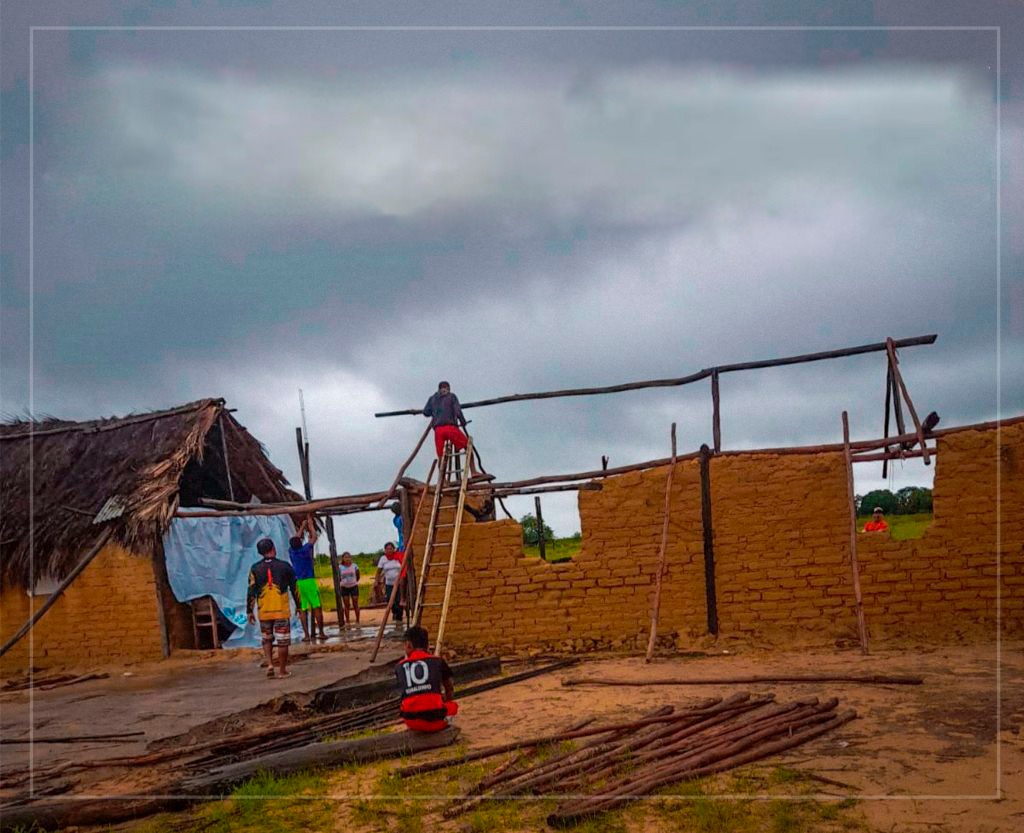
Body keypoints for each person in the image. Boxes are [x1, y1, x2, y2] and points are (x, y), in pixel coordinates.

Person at [247, 538, 301, 679]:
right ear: (273, 548)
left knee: (267, 639)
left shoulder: (254, 568)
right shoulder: (285, 566)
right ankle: (282, 671)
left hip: (264, 611)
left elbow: (251, 591)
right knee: (283, 641)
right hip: (281, 610)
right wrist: (299, 606)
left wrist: (249, 611)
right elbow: (295, 588)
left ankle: (270, 664)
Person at [395, 626, 458, 732]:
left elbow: (404, 692)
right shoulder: (438, 661)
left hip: (411, 721)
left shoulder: (399, 666)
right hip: (436, 722)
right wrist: (444, 700)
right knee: (453, 706)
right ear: (427, 645)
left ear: (409, 644)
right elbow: (449, 688)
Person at [422, 381, 479, 475]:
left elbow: (425, 412)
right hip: (450, 427)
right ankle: (473, 471)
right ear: (448, 388)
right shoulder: (452, 396)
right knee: (468, 446)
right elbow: (458, 411)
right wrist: (463, 421)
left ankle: (442, 479)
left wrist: (435, 411)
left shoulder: (432, 399)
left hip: (438, 430)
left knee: (441, 455)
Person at [288, 517, 327, 642]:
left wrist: (302, 526)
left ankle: (306, 635)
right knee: (316, 607)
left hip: (298, 583)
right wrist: (309, 524)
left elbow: (295, 539)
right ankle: (321, 632)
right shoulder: (305, 549)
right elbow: (314, 537)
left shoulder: (292, 552)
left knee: (303, 610)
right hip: (309, 581)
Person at [375, 542, 405, 627]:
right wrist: (376, 581)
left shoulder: (398, 556)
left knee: (399, 601)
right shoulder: (383, 559)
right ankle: (395, 612)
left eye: (391, 548)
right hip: (389, 584)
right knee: (389, 600)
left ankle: (399, 619)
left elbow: (404, 567)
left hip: (399, 583)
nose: (389, 550)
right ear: (385, 550)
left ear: (393, 549)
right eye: (387, 549)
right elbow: (378, 571)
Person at [338, 551, 361, 625]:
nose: (347, 559)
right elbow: (338, 577)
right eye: (345, 557)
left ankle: (357, 620)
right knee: (346, 605)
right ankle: (348, 621)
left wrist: (354, 581)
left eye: (348, 557)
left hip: (354, 587)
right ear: (343, 558)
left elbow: (358, 575)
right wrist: (342, 583)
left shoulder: (355, 566)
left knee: (355, 603)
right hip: (344, 588)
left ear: (350, 558)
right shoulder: (340, 567)